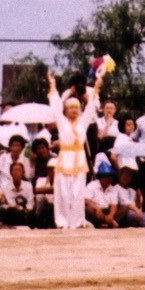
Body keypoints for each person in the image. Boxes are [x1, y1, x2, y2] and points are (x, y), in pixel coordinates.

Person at [46, 68, 104, 230]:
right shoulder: (62, 122)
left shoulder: (83, 122)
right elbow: (55, 106)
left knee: (78, 192)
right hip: (65, 158)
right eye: (71, 107)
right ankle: (62, 221)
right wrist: (53, 84)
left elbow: (91, 107)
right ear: (66, 110)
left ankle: (77, 221)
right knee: (63, 192)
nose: (74, 110)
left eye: (76, 107)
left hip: (79, 159)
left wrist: (97, 84)